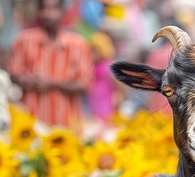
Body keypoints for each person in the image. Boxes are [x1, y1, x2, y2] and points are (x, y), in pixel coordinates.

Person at [8, 0, 94, 129]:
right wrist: (26, 80)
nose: (48, 14)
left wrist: (51, 84)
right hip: (29, 126)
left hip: (67, 126)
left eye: (54, 9)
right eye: (44, 9)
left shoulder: (78, 44)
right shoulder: (23, 40)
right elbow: (12, 74)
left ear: (63, 12)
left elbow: (84, 84)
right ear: (38, 12)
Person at [88, 31, 119, 122]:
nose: (92, 54)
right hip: (94, 104)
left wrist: (116, 97)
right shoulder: (93, 66)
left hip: (106, 104)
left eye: (95, 51)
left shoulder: (108, 66)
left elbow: (118, 84)